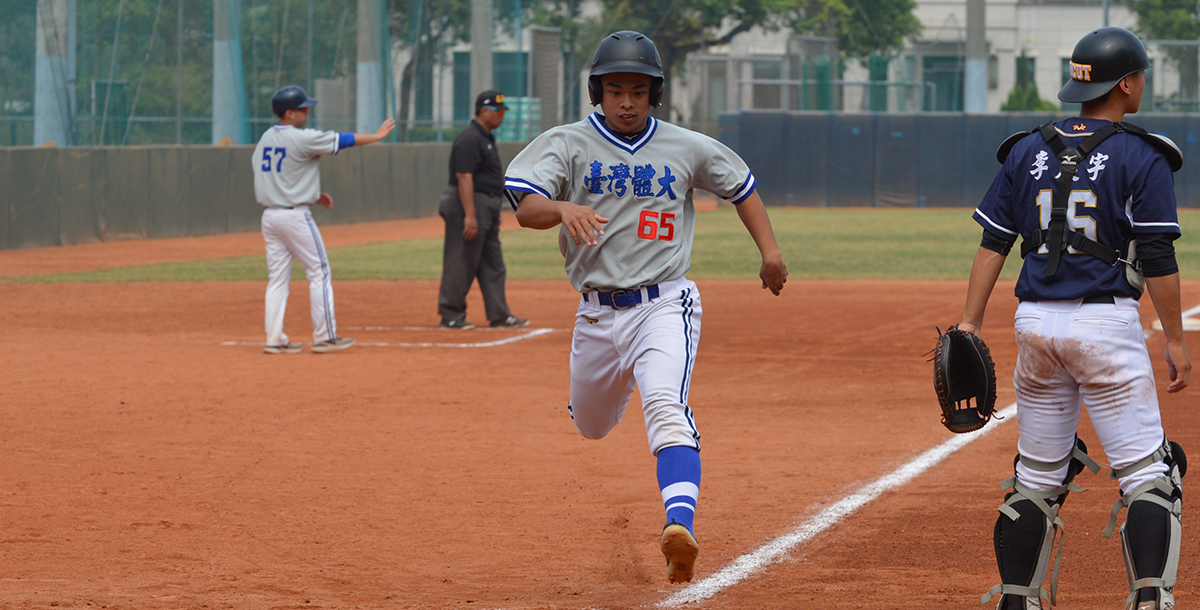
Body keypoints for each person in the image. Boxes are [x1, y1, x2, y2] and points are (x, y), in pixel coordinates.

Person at [503, 31, 788, 584]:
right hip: (594, 313)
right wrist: (562, 207)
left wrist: (771, 253)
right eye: (615, 90)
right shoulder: (567, 143)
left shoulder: (685, 146)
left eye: (638, 89)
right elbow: (525, 208)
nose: (626, 101)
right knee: (589, 425)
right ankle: (625, 380)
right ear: (598, 92)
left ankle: (678, 524)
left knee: (665, 405)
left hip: (664, 303)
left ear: (654, 93)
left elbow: (742, 187)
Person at [961, 27, 1190, 610]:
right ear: (1129, 84)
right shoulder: (1143, 154)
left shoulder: (1024, 149)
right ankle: (1149, 600)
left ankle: (1018, 600)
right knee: (1147, 475)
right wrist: (1174, 340)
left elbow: (993, 244)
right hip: (1105, 328)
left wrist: (968, 323)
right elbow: (1159, 259)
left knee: (1036, 477)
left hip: (1033, 326)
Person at [253, 85, 395, 354]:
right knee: (319, 271)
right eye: (304, 109)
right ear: (290, 113)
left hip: (270, 216)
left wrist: (311, 194)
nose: (308, 113)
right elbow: (342, 140)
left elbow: (277, 175)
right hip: (294, 216)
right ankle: (325, 337)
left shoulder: (265, 139)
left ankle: (274, 339)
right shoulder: (300, 137)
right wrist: (376, 136)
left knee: (277, 280)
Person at [437, 90, 528, 330]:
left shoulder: (484, 137)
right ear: (484, 110)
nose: (502, 115)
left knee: (493, 262)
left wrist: (493, 212)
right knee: (461, 259)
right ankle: (451, 314)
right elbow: (464, 177)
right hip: (467, 203)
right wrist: (470, 215)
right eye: (498, 111)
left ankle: (499, 314)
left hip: (485, 204)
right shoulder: (469, 138)